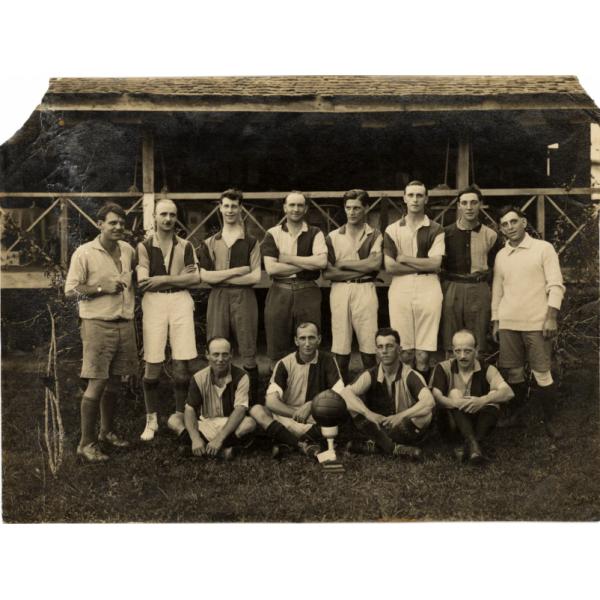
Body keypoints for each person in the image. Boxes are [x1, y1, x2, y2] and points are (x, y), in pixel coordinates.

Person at [65, 202, 137, 462]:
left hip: (124, 323)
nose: (118, 227)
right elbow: (70, 291)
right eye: (112, 223)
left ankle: (107, 432)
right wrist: (100, 288)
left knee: (115, 382)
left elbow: (133, 281)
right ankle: (86, 443)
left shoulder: (128, 250)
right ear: (99, 224)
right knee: (96, 383)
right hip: (97, 324)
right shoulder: (84, 253)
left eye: (121, 223)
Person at [492, 206, 565, 439]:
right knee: (513, 372)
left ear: (524, 222)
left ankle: (550, 420)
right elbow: (497, 290)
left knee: (542, 372)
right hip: (508, 322)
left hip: (537, 322)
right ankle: (516, 415)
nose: (510, 227)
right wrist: (496, 320)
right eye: (504, 224)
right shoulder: (501, 255)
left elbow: (555, 284)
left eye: (514, 222)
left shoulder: (543, 249)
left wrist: (551, 316)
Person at [136, 198, 201, 441]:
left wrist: (162, 279)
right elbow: (143, 282)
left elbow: (194, 279)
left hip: (180, 301)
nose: (167, 219)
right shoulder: (144, 246)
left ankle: (180, 415)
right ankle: (151, 419)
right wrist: (177, 277)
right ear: (154, 216)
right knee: (152, 359)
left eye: (172, 215)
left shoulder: (185, 245)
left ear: (176, 218)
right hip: (154, 303)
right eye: (163, 214)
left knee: (182, 362)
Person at [198, 189, 261, 404]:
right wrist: (236, 271)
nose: (230, 210)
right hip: (218, 297)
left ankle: (251, 403)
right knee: (216, 348)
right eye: (226, 205)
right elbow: (205, 276)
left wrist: (221, 278)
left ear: (241, 208)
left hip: (244, 297)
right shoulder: (209, 242)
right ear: (220, 207)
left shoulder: (251, 241)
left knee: (248, 348)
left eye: (234, 206)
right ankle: (215, 402)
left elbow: (255, 277)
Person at [249, 321, 344, 458]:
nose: (307, 343)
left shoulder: (328, 360)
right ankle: (303, 444)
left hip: (314, 418)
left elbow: (340, 393)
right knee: (256, 410)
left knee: (340, 412)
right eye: (302, 338)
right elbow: (271, 402)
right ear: (296, 340)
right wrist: (297, 413)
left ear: (319, 339)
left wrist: (312, 405)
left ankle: (287, 443)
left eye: (311, 337)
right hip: (286, 418)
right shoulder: (285, 363)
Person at [340, 327, 435, 460]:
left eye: (389, 346)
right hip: (378, 425)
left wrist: (400, 416)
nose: (384, 351)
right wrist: (369, 414)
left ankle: (374, 445)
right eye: (380, 347)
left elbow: (429, 402)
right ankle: (394, 448)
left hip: (402, 428)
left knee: (425, 414)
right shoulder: (371, 374)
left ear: (399, 349)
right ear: (376, 350)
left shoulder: (410, 375)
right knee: (350, 402)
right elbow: (345, 393)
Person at [383, 181, 445, 378]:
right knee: (406, 351)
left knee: (423, 353)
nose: (415, 199)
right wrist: (421, 262)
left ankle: (423, 399)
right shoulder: (392, 229)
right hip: (400, 287)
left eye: (419, 195)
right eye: (411, 195)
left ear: (426, 198)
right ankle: (404, 396)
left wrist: (404, 258)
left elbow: (435, 265)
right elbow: (390, 267)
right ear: (404, 198)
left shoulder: (436, 229)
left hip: (429, 286)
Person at [262, 191, 328, 363]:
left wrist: (288, 259)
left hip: (308, 291)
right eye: (292, 205)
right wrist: (307, 263)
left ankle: (308, 384)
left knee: (308, 341)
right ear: (285, 208)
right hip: (279, 292)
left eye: (300, 205)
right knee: (277, 344)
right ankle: (277, 386)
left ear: (306, 208)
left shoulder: (315, 232)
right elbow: (271, 268)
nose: (296, 209)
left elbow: (321, 262)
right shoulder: (273, 233)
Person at [323, 189, 382, 381]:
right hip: (340, 291)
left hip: (365, 289)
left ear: (366, 208)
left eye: (357, 207)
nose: (352, 212)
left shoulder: (375, 234)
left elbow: (375, 265)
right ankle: (341, 392)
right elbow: (328, 272)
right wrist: (362, 267)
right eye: (348, 208)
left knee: (369, 343)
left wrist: (343, 263)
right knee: (341, 343)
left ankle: (372, 389)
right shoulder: (333, 236)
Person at [430, 329, 514, 463]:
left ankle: (473, 446)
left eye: (467, 351)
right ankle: (474, 443)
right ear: (452, 350)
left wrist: (482, 401)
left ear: (476, 349)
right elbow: (436, 396)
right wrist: (457, 403)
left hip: (478, 422)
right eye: (458, 351)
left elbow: (508, 392)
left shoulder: (487, 368)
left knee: (493, 394)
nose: (462, 356)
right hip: (452, 425)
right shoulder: (443, 367)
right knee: (454, 393)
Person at [441, 185, 502, 355]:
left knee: (478, 339)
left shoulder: (491, 235)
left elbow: (495, 267)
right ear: (459, 205)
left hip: (479, 288)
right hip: (452, 287)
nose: (469, 207)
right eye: (465, 203)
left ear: (480, 204)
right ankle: (451, 378)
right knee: (450, 338)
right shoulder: (445, 233)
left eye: (474, 202)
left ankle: (477, 378)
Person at [181, 337, 256, 459]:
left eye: (225, 354)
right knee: (174, 420)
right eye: (216, 354)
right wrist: (195, 438)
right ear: (207, 355)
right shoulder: (198, 377)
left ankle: (202, 449)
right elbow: (190, 409)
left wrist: (219, 439)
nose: (220, 359)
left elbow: (240, 410)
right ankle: (222, 452)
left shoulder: (242, 376)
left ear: (231, 355)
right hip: (205, 423)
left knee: (249, 423)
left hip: (229, 424)